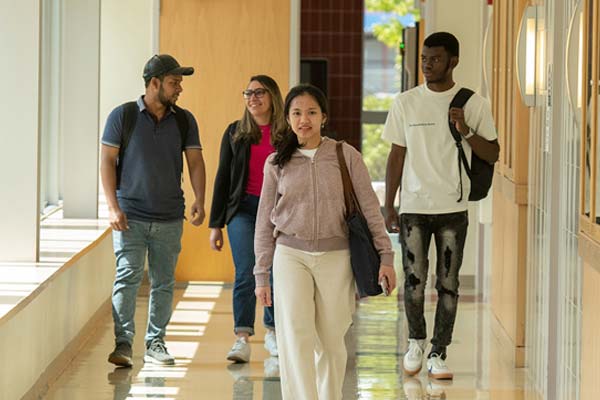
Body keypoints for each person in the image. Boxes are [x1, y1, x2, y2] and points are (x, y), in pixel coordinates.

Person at [254, 84, 397, 400]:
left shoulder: (345, 156)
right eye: (296, 113)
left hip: (336, 256)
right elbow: (264, 221)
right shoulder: (277, 162)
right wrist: (261, 274)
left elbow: (371, 209)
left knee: (331, 341)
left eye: (311, 112)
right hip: (290, 254)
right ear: (288, 119)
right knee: (296, 337)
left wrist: (386, 256)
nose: (303, 119)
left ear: (323, 117)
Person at [382, 32, 499, 380]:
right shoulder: (405, 102)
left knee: (448, 283)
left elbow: (492, 153)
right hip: (414, 208)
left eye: (434, 59)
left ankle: (438, 350)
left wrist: (464, 129)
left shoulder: (473, 103)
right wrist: (389, 204)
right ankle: (416, 342)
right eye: (423, 58)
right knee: (414, 282)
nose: (427, 65)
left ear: (453, 61)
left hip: (453, 207)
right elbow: (396, 154)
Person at [101, 54, 206, 367]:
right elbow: (107, 161)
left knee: (163, 282)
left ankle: (155, 342)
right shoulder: (123, 116)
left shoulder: (185, 120)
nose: (179, 89)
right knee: (127, 278)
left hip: (169, 217)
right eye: (174, 82)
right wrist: (112, 207)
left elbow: (196, 161)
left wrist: (200, 199)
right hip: (129, 216)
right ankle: (123, 344)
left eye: (180, 83)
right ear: (154, 83)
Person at [208, 75, 286, 363]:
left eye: (259, 93)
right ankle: (242, 337)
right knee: (246, 271)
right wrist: (216, 224)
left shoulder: (287, 134)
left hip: (278, 212)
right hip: (242, 209)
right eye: (248, 93)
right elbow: (223, 178)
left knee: (275, 271)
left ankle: (273, 331)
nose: (253, 98)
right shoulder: (235, 132)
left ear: (273, 96)